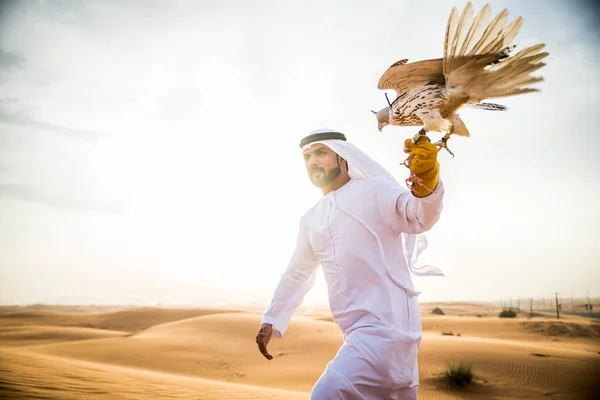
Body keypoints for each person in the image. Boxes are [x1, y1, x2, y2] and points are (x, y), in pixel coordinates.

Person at [255, 128, 445, 399]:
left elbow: (418, 216)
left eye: (321, 152)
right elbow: (298, 273)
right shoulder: (311, 219)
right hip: (357, 334)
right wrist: (272, 318)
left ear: (343, 157)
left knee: (327, 394)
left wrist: (427, 179)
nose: (312, 161)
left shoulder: (374, 189)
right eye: (307, 156)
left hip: (387, 327)